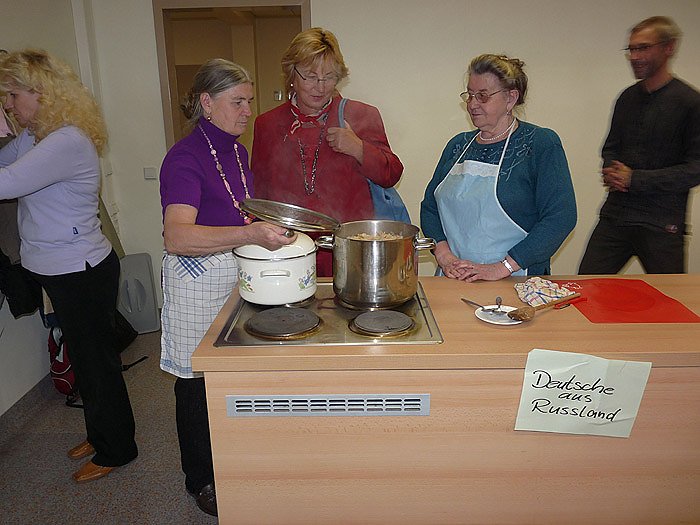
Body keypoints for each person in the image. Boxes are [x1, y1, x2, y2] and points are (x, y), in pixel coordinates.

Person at [159, 58, 294, 517]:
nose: (247, 111)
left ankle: (237, 458)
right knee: (196, 382)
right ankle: (200, 477)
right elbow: (177, 236)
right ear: (206, 103)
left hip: (231, 272)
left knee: (232, 373)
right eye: (237, 101)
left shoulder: (236, 152)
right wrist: (250, 233)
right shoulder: (184, 158)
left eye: (249, 101)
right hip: (195, 279)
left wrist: (270, 224)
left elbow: (236, 211)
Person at [0, 49, 137, 481]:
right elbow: (3, 162)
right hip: (61, 270)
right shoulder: (37, 136)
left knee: (97, 363)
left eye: (12, 95)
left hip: (81, 272)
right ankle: (100, 435)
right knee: (84, 358)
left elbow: (6, 183)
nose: (8, 105)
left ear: (40, 92)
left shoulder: (66, 141)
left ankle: (117, 450)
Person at [251, 27, 404, 276]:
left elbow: (391, 174)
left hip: (353, 252)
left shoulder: (361, 115)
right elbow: (260, 194)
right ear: (292, 74)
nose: (320, 87)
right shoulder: (267, 124)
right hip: (289, 252)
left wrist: (358, 148)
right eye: (310, 76)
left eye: (329, 77)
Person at [420, 54, 576, 281]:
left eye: (482, 96)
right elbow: (430, 207)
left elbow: (561, 217)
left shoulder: (540, 143)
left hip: (516, 279)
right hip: (453, 278)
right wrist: (444, 256)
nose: (472, 104)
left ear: (511, 98)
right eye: (470, 95)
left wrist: (502, 267)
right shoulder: (458, 145)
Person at [579, 16, 700, 274]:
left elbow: (695, 169)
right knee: (586, 286)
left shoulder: (690, 102)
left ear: (669, 47)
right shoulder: (627, 98)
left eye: (643, 48)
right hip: (616, 216)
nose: (635, 57)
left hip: (662, 223)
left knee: (669, 297)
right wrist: (611, 169)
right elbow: (610, 147)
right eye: (631, 49)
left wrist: (635, 179)